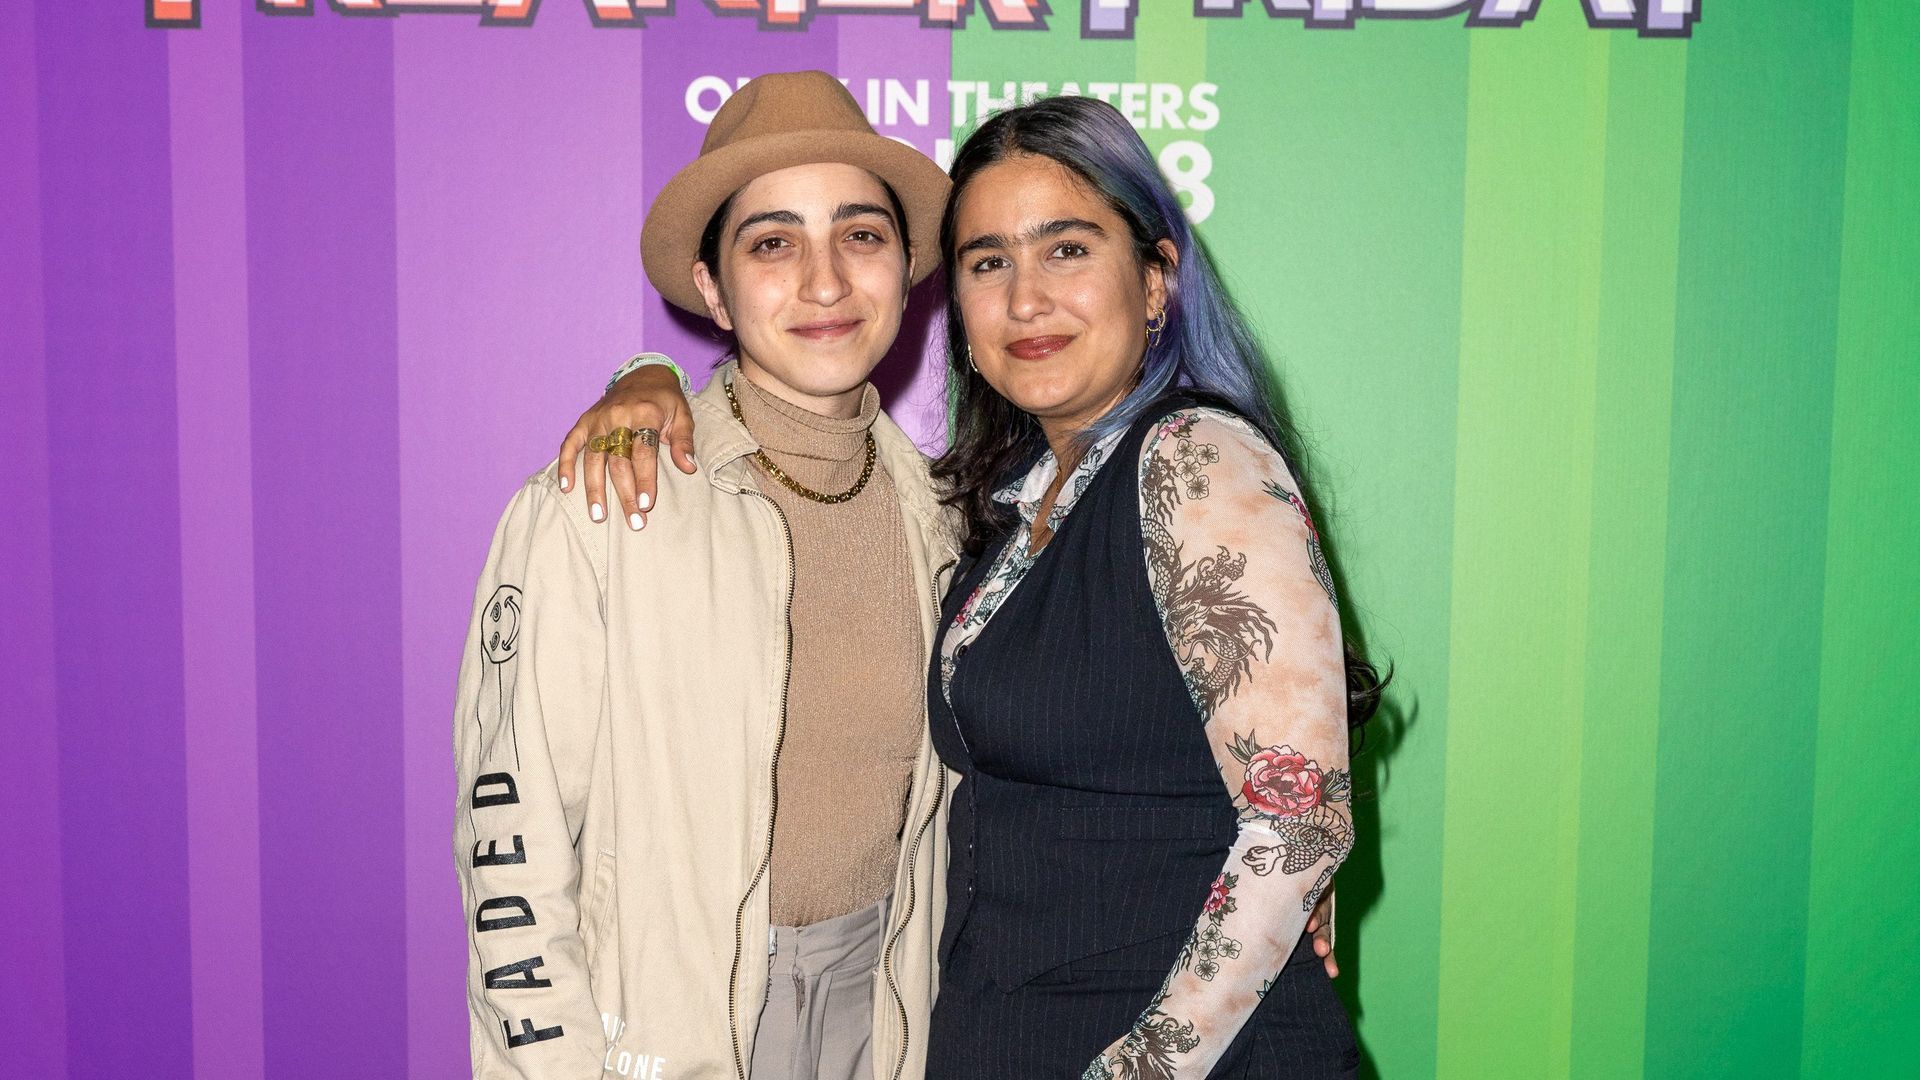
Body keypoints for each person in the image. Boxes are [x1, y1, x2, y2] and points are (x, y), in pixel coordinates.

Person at [564, 94, 1377, 1078]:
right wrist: (648, 374)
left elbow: (1297, 823)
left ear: (1158, 279)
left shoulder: (1196, 460)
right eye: (990, 262)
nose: (1025, 299)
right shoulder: (1003, 510)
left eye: (1067, 249)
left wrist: (1141, 1070)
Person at [451, 71, 959, 1080]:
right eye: (772, 242)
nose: (824, 281)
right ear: (713, 287)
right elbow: (510, 839)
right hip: (674, 1026)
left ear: (905, 270)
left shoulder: (946, 518)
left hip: (894, 1012)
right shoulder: (600, 502)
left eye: (860, 235)